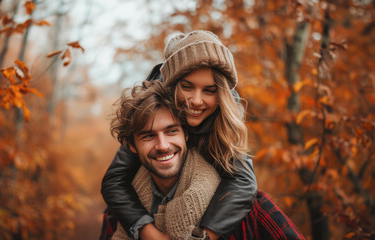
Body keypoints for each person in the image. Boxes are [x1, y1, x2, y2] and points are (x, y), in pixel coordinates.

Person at [101, 30, 257, 240]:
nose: (196, 101)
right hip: (152, 202)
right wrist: (149, 233)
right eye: (187, 87)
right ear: (172, 85)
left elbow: (243, 183)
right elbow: (114, 180)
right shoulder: (155, 110)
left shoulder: (223, 120)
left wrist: (206, 236)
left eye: (209, 90)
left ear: (221, 96)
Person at [101, 81, 305, 240]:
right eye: (148, 136)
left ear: (186, 135)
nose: (162, 145)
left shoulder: (253, 209)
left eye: (171, 131)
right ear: (132, 146)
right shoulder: (120, 216)